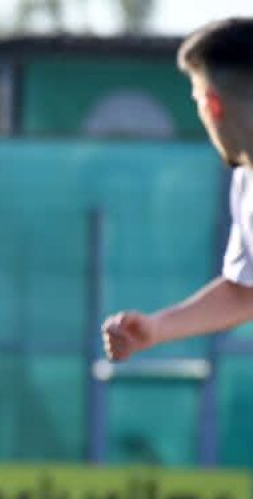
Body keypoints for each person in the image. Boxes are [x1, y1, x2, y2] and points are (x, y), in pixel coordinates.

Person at [103, 18, 253, 361]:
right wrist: (156, 329)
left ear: (212, 105)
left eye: (195, 99)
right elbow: (246, 291)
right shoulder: (247, 180)